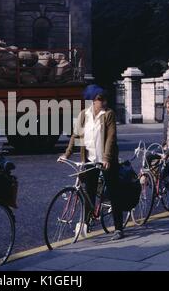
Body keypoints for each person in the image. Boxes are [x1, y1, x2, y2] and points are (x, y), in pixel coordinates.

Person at [59, 84, 125, 241]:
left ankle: (118, 228)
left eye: (104, 99)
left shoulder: (108, 114)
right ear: (92, 101)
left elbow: (110, 138)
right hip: (89, 159)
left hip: (106, 160)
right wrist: (66, 154)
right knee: (89, 192)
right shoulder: (83, 115)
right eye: (99, 99)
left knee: (114, 192)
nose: (103, 102)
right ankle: (87, 223)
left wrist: (107, 158)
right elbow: (75, 136)